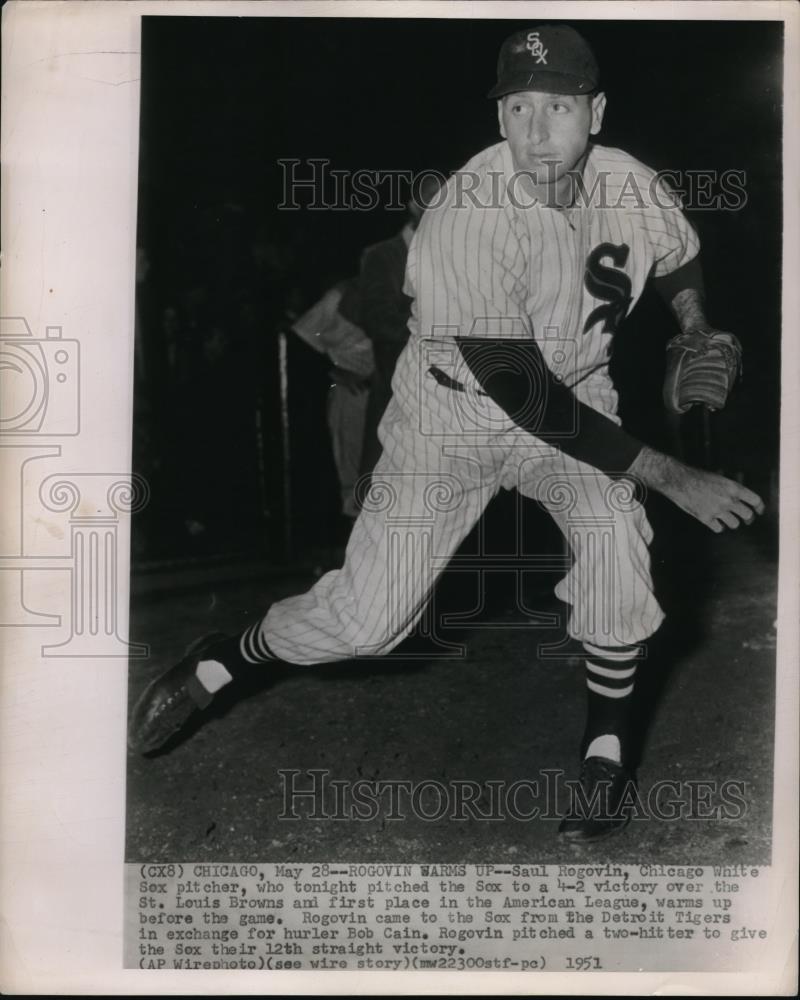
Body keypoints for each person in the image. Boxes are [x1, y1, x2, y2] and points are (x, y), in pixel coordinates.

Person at [129, 25, 764, 842]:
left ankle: (604, 750)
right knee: (366, 623)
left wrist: (695, 325)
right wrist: (672, 473)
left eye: (559, 105)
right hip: (454, 415)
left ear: (596, 111)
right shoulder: (468, 211)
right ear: (500, 120)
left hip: (575, 392)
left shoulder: (632, 183)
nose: (538, 129)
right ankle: (225, 658)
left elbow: (676, 257)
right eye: (519, 107)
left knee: (615, 539)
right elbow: (517, 389)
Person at [355, 174, 445, 477]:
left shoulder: (456, 256)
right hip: (399, 402)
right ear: (413, 207)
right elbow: (380, 323)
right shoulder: (381, 256)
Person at [289, 278, 374, 518]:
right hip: (352, 394)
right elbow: (298, 344)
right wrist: (335, 372)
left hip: (389, 395)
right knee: (354, 476)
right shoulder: (337, 298)